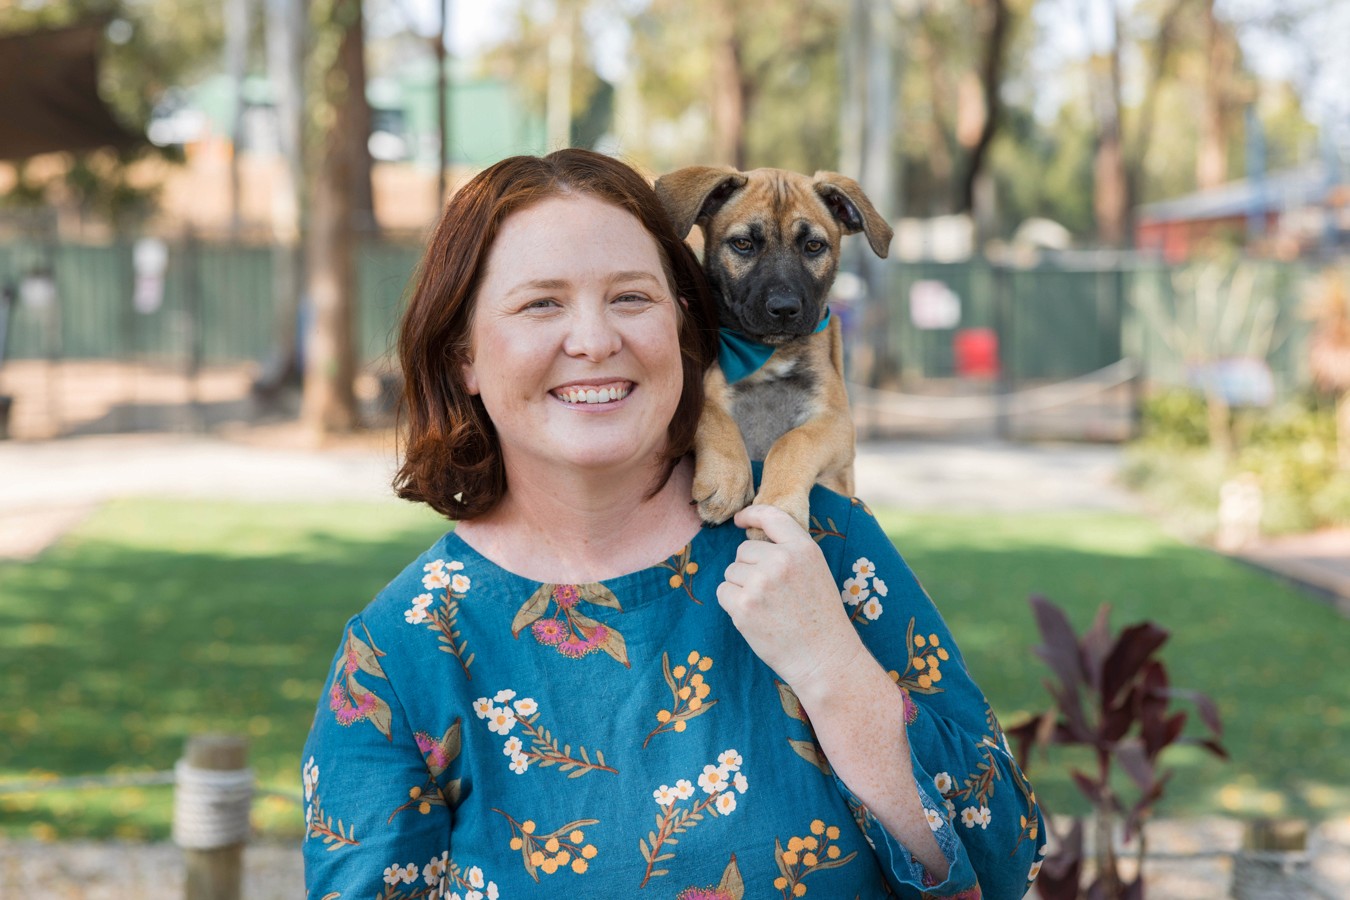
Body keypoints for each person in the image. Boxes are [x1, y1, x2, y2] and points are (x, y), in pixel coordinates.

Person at [301, 148, 1044, 900]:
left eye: (630, 297)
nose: (593, 340)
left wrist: (833, 667)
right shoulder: (402, 653)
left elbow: (1006, 862)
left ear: (685, 322)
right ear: (463, 353)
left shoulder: (817, 539)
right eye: (540, 303)